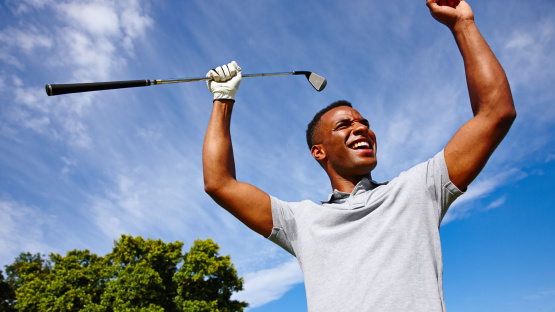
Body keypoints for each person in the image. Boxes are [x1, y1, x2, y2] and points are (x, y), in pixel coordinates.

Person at [202, 0, 516, 311]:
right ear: (319, 151)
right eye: (344, 125)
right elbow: (220, 183)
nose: (361, 129)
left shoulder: (419, 189)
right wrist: (223, 100)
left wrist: (463, 24)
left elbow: (495, 113)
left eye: (364, 123)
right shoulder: (300, 221)